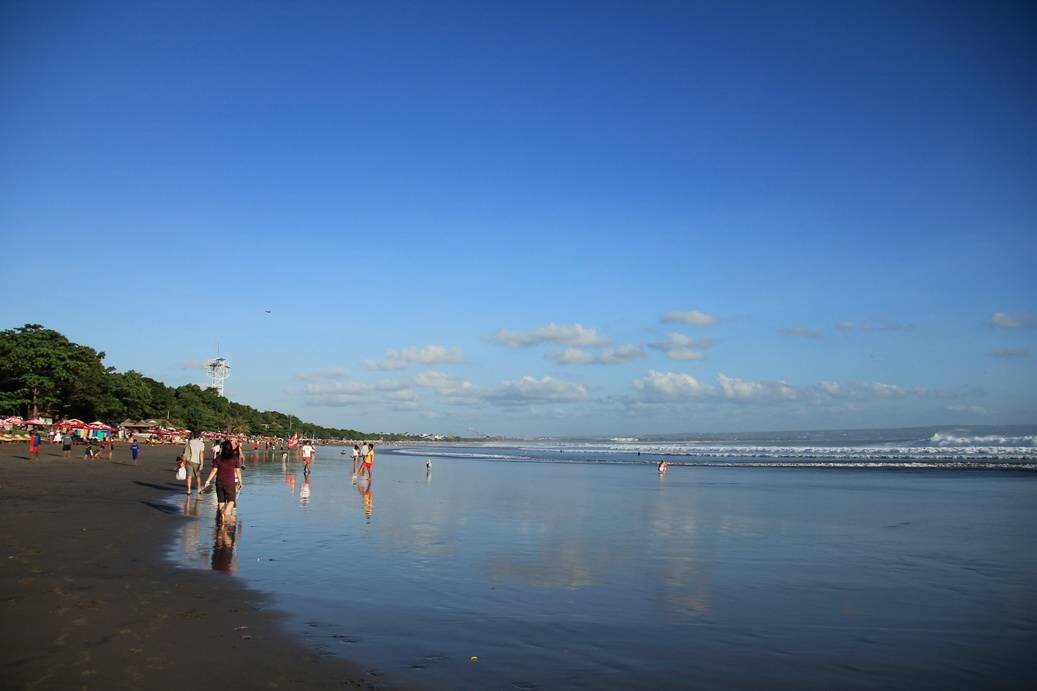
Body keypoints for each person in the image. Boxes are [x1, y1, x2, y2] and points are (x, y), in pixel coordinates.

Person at [202, 442, 244, 524]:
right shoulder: (234, 458)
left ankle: (222, 518)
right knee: (231, 500)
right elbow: (238, 471)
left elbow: (214, 470)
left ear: (223, 448)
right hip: (230, 482)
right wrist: (240, 482)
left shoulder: (218, 458)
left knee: (221, 501)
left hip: (219, 482)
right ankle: (226, 514)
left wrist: (208, 480)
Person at [182, 431, 206, 495]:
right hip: (197, 461)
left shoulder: (189, 442)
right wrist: (202, 464)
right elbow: (201, 454)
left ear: (194, 436)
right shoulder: (201, 444)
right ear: (199, 436)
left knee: (189, 476)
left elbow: (185, 452)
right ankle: (199, 489)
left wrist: (184, 460)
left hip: (189, 460)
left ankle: (189, 490)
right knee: (197, 476)